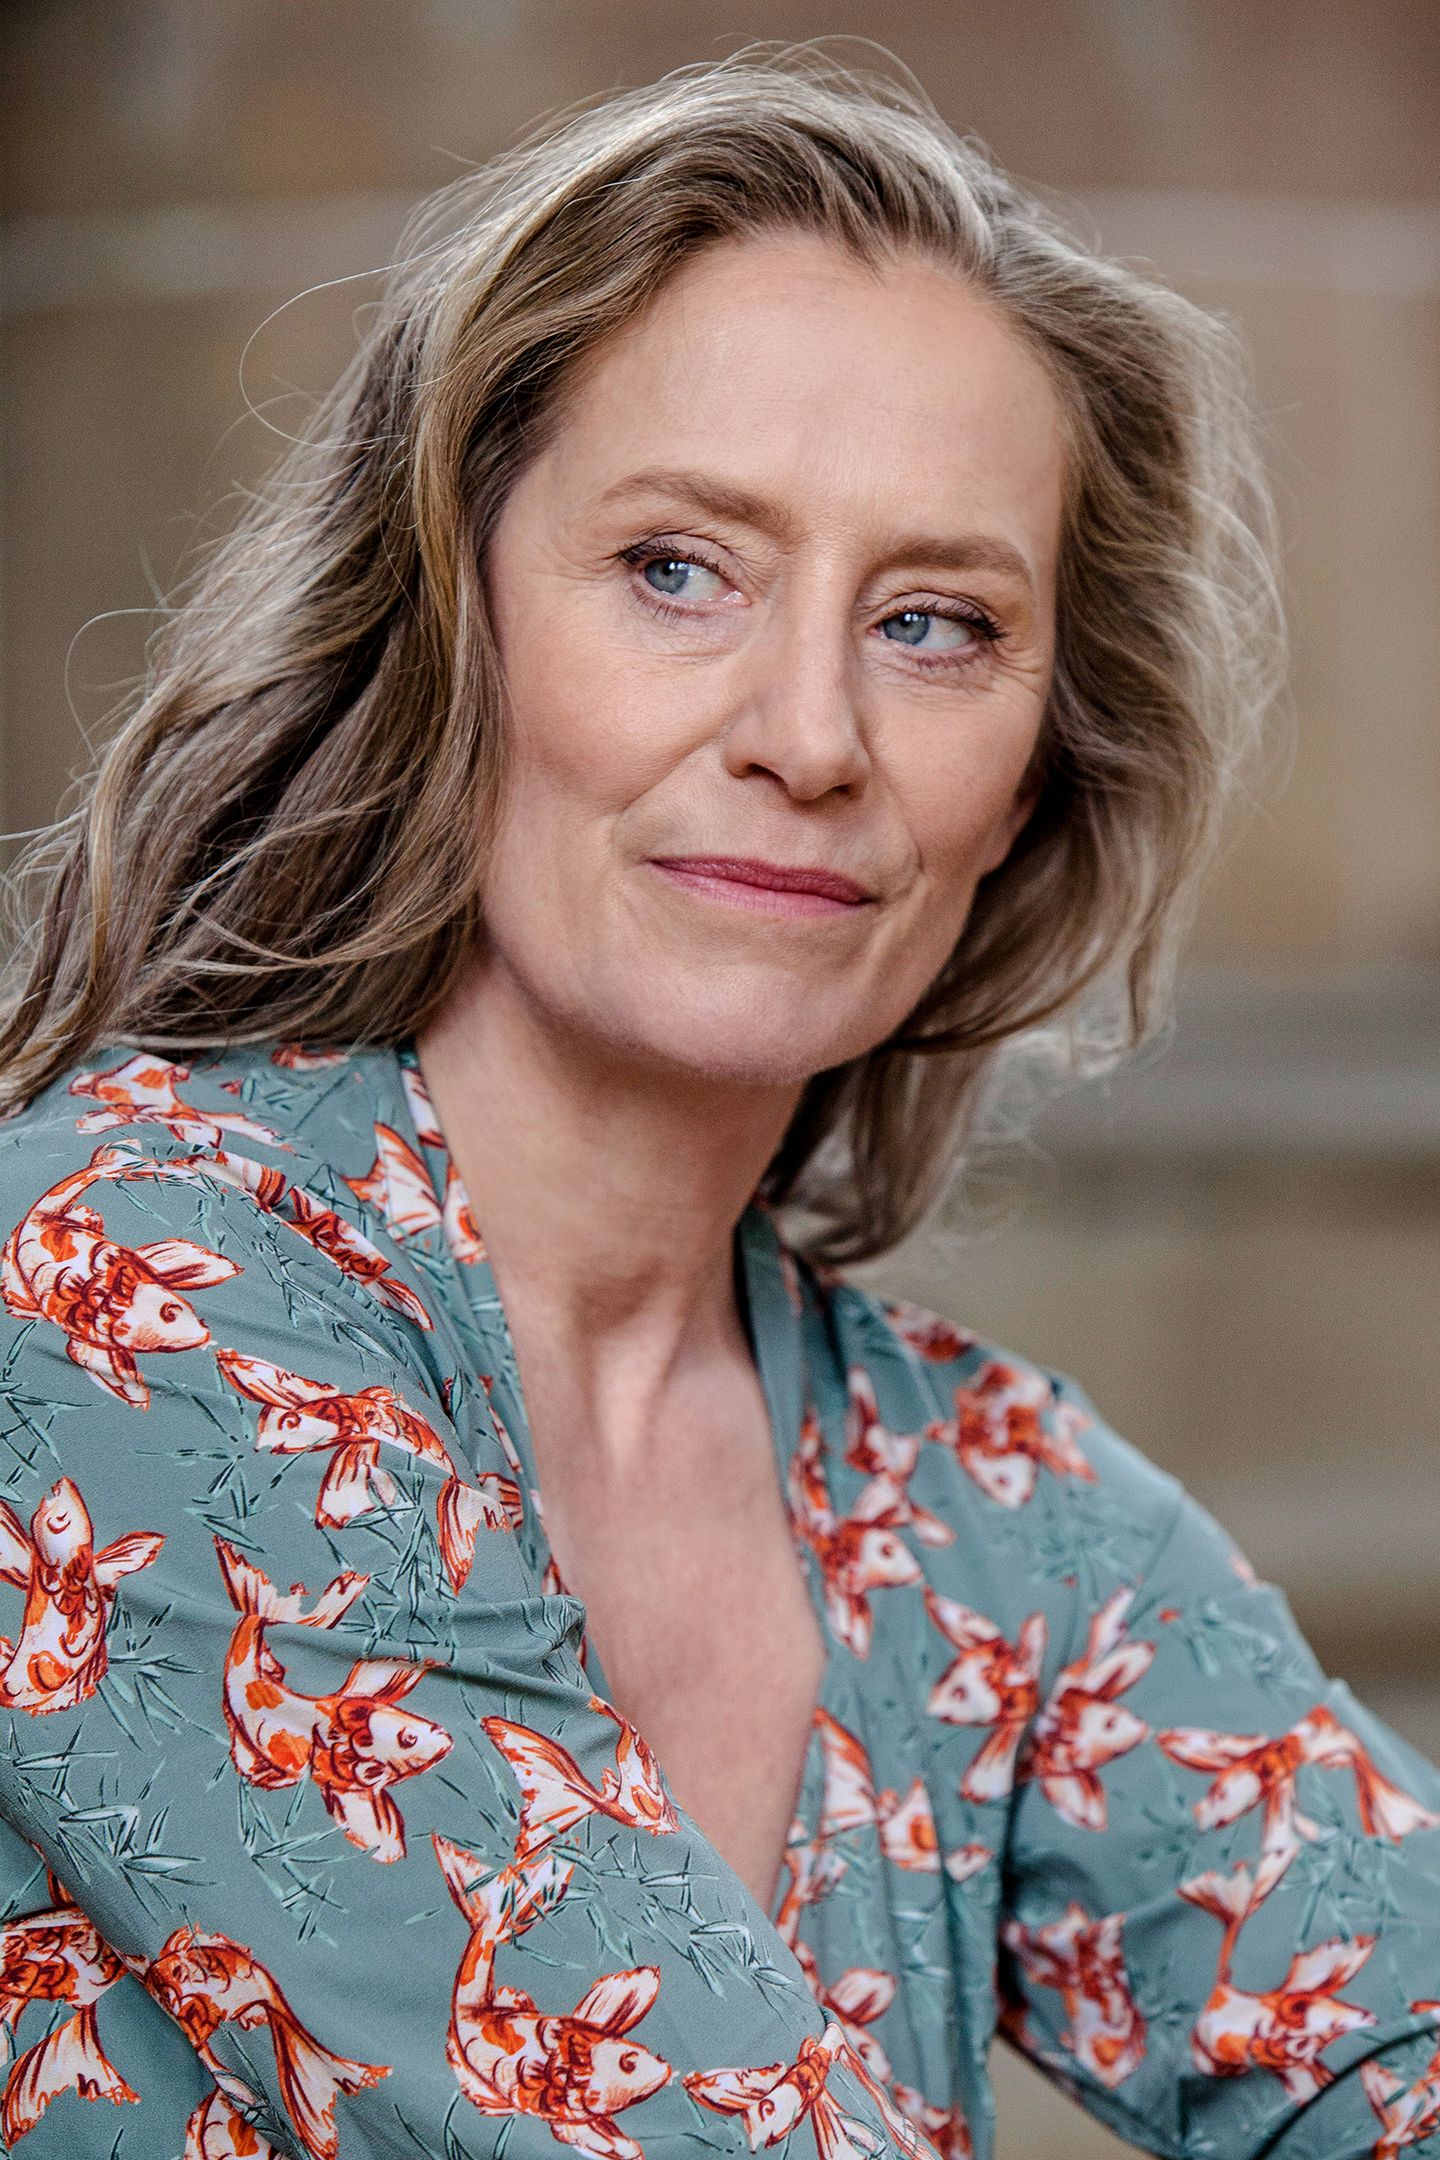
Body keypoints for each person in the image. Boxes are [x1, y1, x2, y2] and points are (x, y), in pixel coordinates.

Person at [0, 45, 1434, 2160]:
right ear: (457, 621)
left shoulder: (981, 1508)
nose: (810, 732)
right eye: (680, 568)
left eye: (935, 623)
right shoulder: (110, 1294)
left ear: (1031, 776)